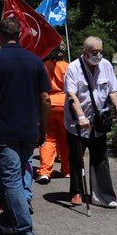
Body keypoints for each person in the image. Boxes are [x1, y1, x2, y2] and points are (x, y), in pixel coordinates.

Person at [0, 18, 50, 235]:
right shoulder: (36, 61)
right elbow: (45, 99)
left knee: (11, 181)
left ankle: (25, 232)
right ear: (21, 34)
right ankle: (8, 221)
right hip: (29, 130)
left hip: (4, 130)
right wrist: (43, 127)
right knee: (18, 175)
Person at [64, 36, 117, 208]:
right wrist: (81, 116)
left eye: (100, 52)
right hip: (77, 122)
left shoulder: (106, 65)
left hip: (99, 120)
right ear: (85, 52)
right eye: (94, 52)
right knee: (77, 157)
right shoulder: (74, 68)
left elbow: (112, 90)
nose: (98, 55)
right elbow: (72, 95)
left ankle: (103, 195)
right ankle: (77, 191)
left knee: (100, 157)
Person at [36, 44, 70, 184]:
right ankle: (67, 169)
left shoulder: (42, 66)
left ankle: (45, 171)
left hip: (48, 103)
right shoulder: (68, 66)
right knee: (65, 138)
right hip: (65, 104)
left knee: (47, 138)